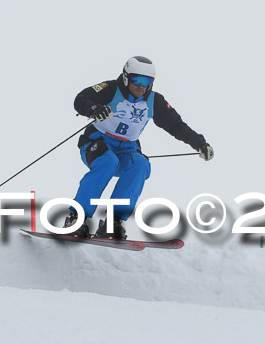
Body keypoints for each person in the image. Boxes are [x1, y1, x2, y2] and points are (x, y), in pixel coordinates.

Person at [64, 56, 214, 239]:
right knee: (108, 161)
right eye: (137, 80)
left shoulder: (154, 101)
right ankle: (76, 218)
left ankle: (113, 222)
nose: (142, 86)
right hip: (96, 142)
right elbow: (81, 99)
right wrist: (95, 108)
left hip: (127, 149)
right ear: (126, 77)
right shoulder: (111, 90)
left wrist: (199, 143)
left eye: (147, 81)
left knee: (140, 164)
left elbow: (176, 125)